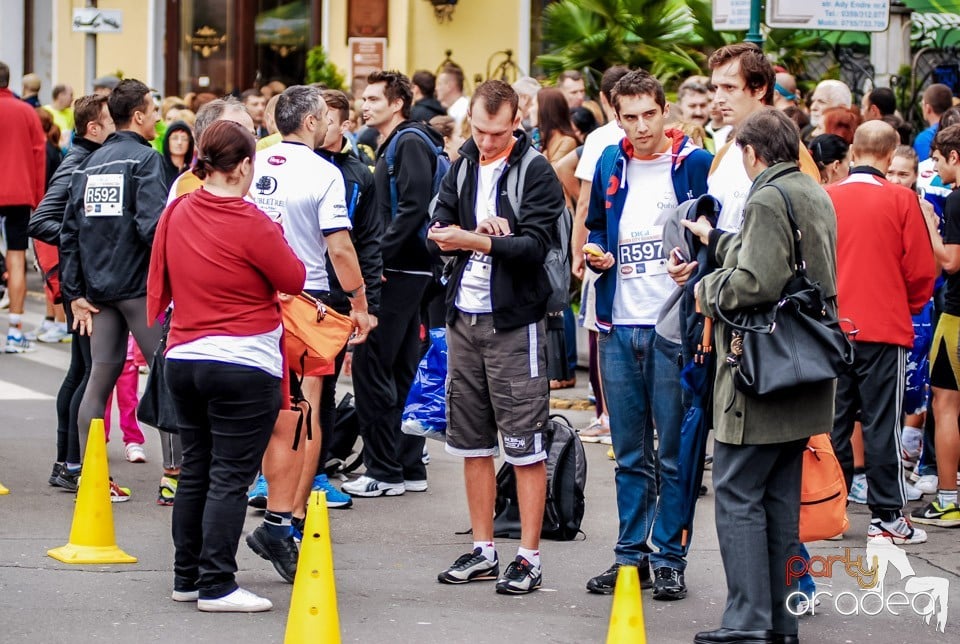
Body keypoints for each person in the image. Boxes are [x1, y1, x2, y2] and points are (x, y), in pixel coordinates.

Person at [690, 107, 839, 644]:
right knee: (777, 500)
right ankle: (778, 621)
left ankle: (748, 620)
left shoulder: (767, 197)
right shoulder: (811, 191)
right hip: (803, 370)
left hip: (763, 371)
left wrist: (705, 290)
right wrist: (716, 242)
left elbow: (755, 283)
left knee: (736, 494)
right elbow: (785, 264)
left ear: (752, 154)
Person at [147, 118, 306, 612]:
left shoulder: (177, 210)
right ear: (243, 166)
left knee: (195, 468)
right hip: (242, 359)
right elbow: (294, 277)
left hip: (184, 355)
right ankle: (218, 584)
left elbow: (161, 273)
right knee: (230, 476)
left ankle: (187, 577)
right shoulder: (251, 220)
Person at [427, 79, 563, 595]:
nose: (485, 141)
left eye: (496, 132)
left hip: (514, 320)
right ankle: (484, 549)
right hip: (463, 315)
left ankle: (529, 555)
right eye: (479, 131)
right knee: (473, 440)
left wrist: (478, 240)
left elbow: (535, 246)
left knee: (525, 442)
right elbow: (437, 222)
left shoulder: (535, 169)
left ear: (516, 121)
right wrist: (449, 236)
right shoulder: (461, 163)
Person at [582, 69, 712, 601]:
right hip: (619, 325)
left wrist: (697, 266)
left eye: (648, 115)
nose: (639, 127)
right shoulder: (612, 163)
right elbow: (594, 226)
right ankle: (629, 555)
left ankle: (670, 558)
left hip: (675, 327)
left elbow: (720, 236)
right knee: (628, 453)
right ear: (616, 117)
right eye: (628, 117)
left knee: (674, 455)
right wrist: (596, 254)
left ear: (665, 112)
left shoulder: (694, 165)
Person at [247, 85, 371, 579]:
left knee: (266, 407)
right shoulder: (325, 172)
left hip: (253, 296)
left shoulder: (254, 161)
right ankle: (290, 517)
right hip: (307, 299)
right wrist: (360, 302)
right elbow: (338, 247)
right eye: (325, 118)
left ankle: (269, 502)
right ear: (314, 120)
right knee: (305, 411)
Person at [827, 120, 936, 544]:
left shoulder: (828, 197)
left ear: (853, 151)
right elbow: (921, 270)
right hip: (883, 327)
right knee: (881, 424)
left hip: (834, 326)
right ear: (891, 156)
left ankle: (831, 512)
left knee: (834, 423)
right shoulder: (902, 199)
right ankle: (887, 517)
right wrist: (903, 305)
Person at [60, 78, 168, 501]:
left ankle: (92, 479)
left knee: (99, 377)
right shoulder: (146, 159)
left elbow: (70, 233)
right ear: (138, 116)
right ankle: (174, 476)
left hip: (97, 290)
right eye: (154, 111)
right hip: (140, 289)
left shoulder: (87, 162)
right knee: (165, 374)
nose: (158, 117)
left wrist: (75, 293)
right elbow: (152, 228)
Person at [342, 71, 441, 498]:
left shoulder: (410, 141)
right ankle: (404, 466)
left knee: (371, 366)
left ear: (397, 103)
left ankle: (384, 470)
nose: (365, 105)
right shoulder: (399, 141)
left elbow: (415, 207)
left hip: (401, 269)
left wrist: (378, 255)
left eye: (373, 98)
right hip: (407, 267)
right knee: (400, 369)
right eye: (363, 98)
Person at [29, 94, 116, 492]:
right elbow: (42, 220)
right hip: (80, 282)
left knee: (81, 370)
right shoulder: (79, 160)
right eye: (112, 122)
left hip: (80, 278)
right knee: (87, 372)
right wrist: (84, 241)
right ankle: (72, 464)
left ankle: (67, 462)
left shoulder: (89, 156)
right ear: (93, 129)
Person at [306, 87, 384, 514]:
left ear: (344, 125)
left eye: (329, 120)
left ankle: (318, 472)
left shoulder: (359, 174)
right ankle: (268, 474)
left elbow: (366, 241)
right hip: (295, 290)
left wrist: (364, 300)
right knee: (282, 388)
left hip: (337, 295)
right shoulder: (296, 165)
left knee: (326, 385)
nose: (320, 127)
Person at [912, 123, 960, 528]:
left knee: (945, 407)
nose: (936, 169)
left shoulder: (956, 200)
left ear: (954, 157)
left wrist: (929, 220)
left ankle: (948, 499)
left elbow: (950, 261)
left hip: (956, 316)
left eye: (939, 161)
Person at [0, 61, 46, 354]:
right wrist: (39, 200)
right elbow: (38, 156)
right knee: (17, 259)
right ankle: (15, 331)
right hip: (17, 195)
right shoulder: (26, 111)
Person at [914, 83, 954, 161]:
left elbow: (925, 169)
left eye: (922, 104)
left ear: (928, 108)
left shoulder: (924, 138)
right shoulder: (956, 130)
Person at [160, 120, 195, 189]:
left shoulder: (192, 173)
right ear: (167, 142)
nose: (179, 142)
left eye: (184, 138)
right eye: (175, 138)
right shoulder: (159, 170)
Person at [438, 64, 469, 132]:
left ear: (449, 86)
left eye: (439, 84)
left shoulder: (458, 111)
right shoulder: (462, 106)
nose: (436, 88)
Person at [43, 83, 75, 148]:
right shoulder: (44, 112)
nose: (72, 99)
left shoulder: (72, 113)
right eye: (71, 95)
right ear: (61, 95)